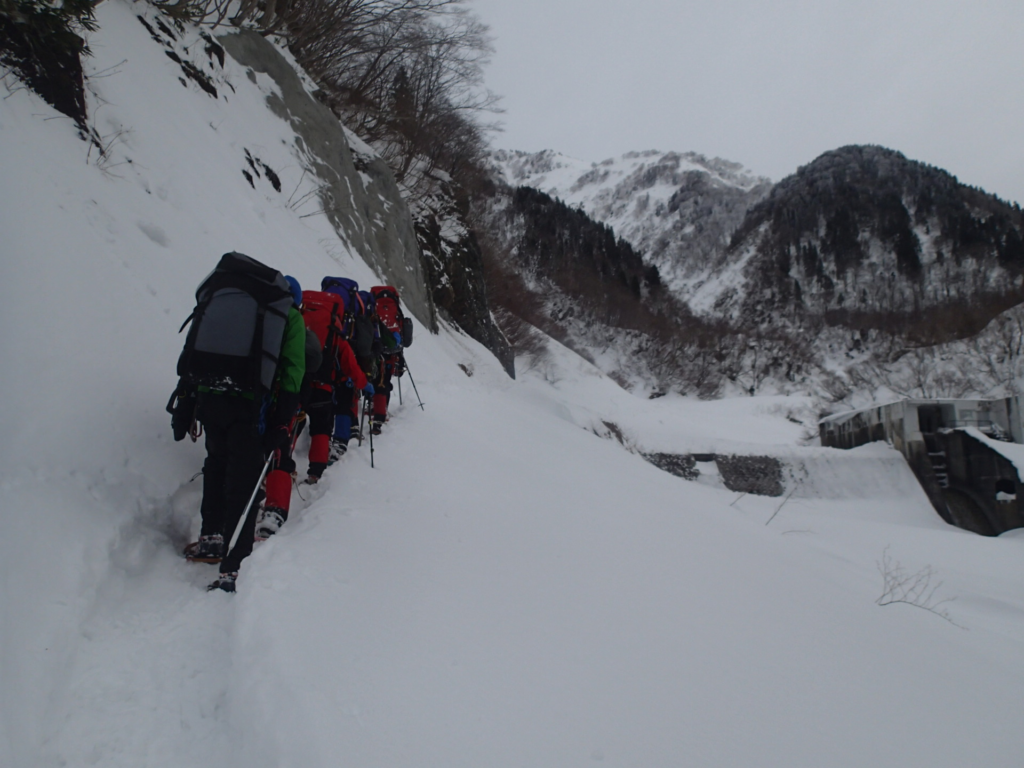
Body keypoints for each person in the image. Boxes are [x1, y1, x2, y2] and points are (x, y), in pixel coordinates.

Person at [176, 255, 305, 593]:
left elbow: (192, 348)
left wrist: (186, 401)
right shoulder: (287, 316)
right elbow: (292, 372)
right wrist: (281, 422)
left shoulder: (224, 300)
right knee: (244, 479)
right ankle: (233, 564)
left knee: (216, 463)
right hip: (250, 404)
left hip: (209, 396)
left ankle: (211, 537)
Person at [256, 283, 323, 540]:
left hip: (251, 397)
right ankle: (274, 513)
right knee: (280, 451)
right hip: (283, 398)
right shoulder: (297, 326)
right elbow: (298, 368)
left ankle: (245, 502)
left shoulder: (256, 316)